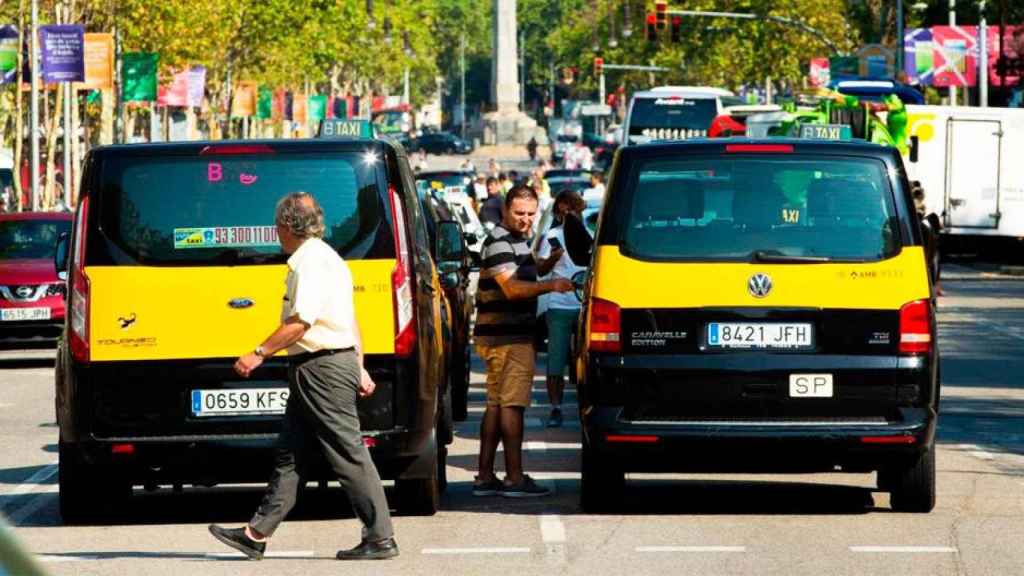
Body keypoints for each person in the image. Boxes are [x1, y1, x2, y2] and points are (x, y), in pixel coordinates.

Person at [209, 192, 398, 561]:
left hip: (322, 368)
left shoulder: (309, 263)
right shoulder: (328, 257)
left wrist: (258, 353)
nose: (276, 232)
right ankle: (256, 533)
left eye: (277, 225)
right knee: (292, 455)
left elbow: (301, 322)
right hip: (322, 365)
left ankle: (380, 536)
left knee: (348, 453)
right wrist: (358, 364)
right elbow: (348, 318)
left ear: (286, 225)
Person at [473, 185, 573, 497]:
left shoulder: (517, 240)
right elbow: (512, 288)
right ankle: (514, 478)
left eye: (531, 214)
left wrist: (545, 264)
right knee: (511, 406)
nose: (526, 220)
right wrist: (552, 285)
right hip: (507, 337)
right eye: (519, 213)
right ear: (505, 210)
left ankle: (485, 476)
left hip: (500, 336)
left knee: (495, 405)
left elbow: (524, 273)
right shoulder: (499, 242)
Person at [535, 190, 588, 427]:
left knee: (587, 360)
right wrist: (553, 258)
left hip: (584, 304)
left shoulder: (590, 235)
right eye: (565, 210)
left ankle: (586, 404)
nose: (569, 214)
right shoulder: (552, 236)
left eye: (573, 210)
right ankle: (555, 408)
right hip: (559, 304)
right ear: (558, 211)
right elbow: (541, 270)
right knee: (555, 360)